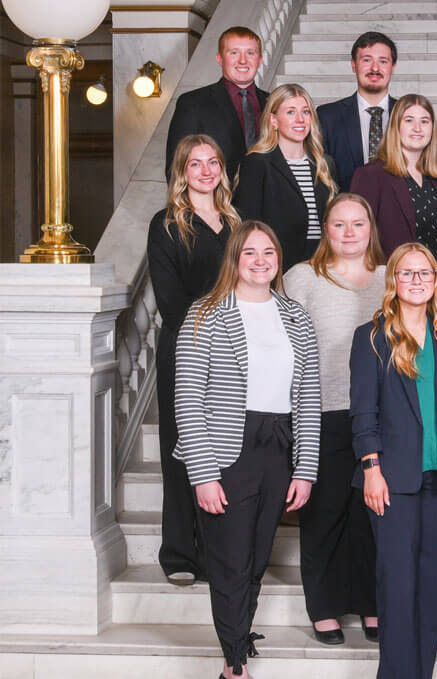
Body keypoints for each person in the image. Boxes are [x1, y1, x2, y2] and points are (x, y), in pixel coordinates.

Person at [174, 220, 320, 679]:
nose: (261, 261)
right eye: (250, 253)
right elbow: (188, 398)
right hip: (225, 450)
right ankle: (233, 662)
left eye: (269, 253)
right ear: (234, 258)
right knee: (230, 560)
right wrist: (202, 474)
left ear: (279, 260)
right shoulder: (205, 313)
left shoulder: (297, 316)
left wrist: (306, 468)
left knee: (257, 558)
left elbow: (309, 397)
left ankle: (237, 644)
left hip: (278, 446)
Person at [349, 243, 437, 679]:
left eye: (425, 274)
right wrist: (371, 469)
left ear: (436, 281)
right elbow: (363, 411)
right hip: (391, 480)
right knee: (398, 590)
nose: (416, 281)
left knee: (429, 586)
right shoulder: (371, 336)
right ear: (393, 281)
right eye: (407, 273)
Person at [283, 193, 386, 645]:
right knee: (324, 511)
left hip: (381, 414)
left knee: (369, 515)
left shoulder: (390, 277)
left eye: (357, 224)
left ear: (370, 229)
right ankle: (323, 607)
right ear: (326, 230)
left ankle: (369, 604)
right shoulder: (304, 277)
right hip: (322, 410)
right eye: (339, 224)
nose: (348, 233)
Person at [147, 134, 241, 586]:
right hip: (186, 349)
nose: (206, 171)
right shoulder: (166, 224)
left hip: (234, 354)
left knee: (221, 450)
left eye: (213, 163)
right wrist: (214, 338)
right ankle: (179, 552)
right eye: (195, 164)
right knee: (181, 449)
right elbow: (171, 302)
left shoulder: (236, 221)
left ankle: (216, 549)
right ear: (181, 173)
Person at [234, 83, 338, 270]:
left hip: (322, 267)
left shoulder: (325, 164)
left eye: (305, 112)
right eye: (290, 112)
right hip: (278, 267)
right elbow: (248, 228)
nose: (300, 119)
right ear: (273, 120)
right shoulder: (257, 164)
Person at [351, 93, 437, 259]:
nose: (417, 128)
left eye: (424, 121)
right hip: (391, 278)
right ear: (395, 126)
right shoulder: (371, 176)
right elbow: (359, 237)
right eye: (409, 120)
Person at [165, 26, 268, 181]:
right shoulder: (192, 103)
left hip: (269, 203)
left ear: (259, 60)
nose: (242, 60)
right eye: (234, 52)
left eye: (250, 53)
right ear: (220, 59)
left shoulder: (275, 104)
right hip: (217, 202)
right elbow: (177, 167)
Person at [317, 32, 398, 192]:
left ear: (393, 67)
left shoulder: (409, 115)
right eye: (367, 60)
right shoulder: (327, 117)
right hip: (345, 212)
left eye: (383, 61)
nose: (375, 68)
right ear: (353, 64)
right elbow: (321, 178)